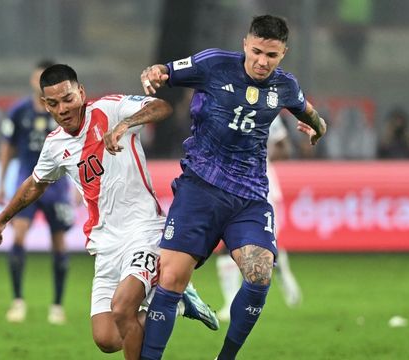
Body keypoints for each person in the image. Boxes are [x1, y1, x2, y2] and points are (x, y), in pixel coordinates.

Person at [0, 64, 219, 360]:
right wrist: (0, 221)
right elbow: (34, 184)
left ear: (80, 93)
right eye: (54, 103)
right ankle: (173, 301)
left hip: (143, 230)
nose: (63, 109)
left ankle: (169, 299)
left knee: (124, 309)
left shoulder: (110, 109)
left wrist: (124, 125)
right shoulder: (55, 145)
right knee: (107, 339)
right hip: (105, 243)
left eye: (68, 98)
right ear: (46, 105)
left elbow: (162, 107)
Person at [138, 15, 327, 360]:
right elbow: (163, 71)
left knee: (259, 276)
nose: (262, 61)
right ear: (245, 44)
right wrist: (153, 74)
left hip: (250, 198)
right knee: (171, 280)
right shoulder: (214, 64)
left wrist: (317, 128)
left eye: (271, 55)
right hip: (200, 187)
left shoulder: (286, 86)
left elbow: (309, 112)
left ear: (283, 53)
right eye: (256, 51)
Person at [0, 60, 74, 325]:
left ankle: (57, 305)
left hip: (58, 185)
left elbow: (78, 147)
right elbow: (7, 147)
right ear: (34, 82)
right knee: (18, 235)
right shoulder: (19, 111)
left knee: (59, 243)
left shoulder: (66, 111)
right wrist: (1, 183)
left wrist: (77, 186)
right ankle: (17, 301)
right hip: (27, 183)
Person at [215, 115, 302, 322]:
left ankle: (282, 270)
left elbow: (284, 148)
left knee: (266, 244)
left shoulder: (268, 108)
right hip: (229, 185)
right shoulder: (222, 104)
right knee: (227, 242)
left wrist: (258, 156)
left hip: (262, 186)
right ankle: (230, 303)